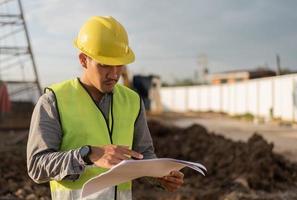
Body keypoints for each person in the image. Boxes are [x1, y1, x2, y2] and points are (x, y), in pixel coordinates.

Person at [27, 16, 184, 200]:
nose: (115, 74)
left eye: (119, 64)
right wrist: (86, 154)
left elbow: (144, 156)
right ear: (83, 60)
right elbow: (37, 166)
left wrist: (160, 176)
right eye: (105, 65)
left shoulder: (132, 101)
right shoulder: (53, 100)